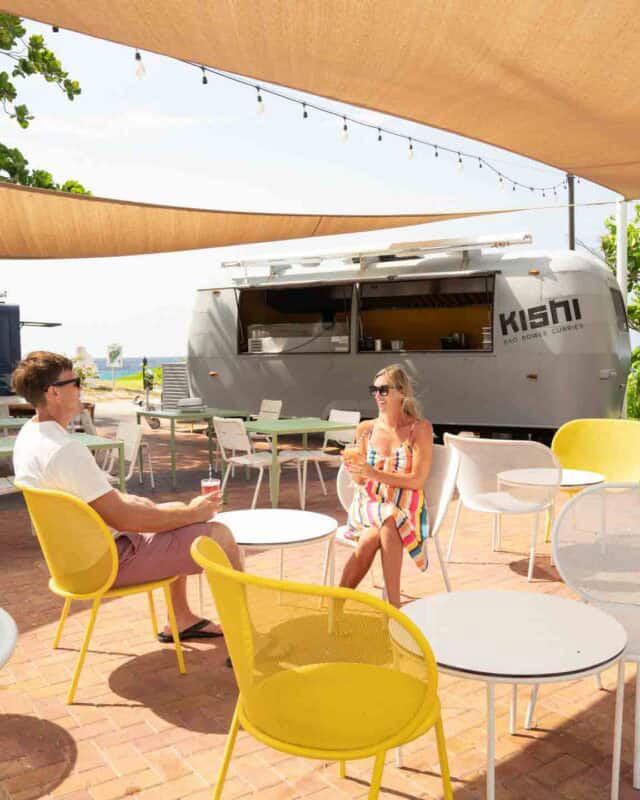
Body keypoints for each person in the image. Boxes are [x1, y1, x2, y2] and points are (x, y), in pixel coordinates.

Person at [11, 351, 242, 642]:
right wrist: (195, 513)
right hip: (106, 563)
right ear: (54, 392)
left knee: (172, 511)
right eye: (76, 382)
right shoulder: (65, 450)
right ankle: (245, 633)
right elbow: (123, 517)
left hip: (71, 563)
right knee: (220, 535)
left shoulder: (30, 436)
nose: (81, 388)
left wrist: (171, 511)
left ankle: (180, 618)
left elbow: (104, 502)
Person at [340, 364, 433, 607]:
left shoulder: (420, 429)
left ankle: (334, 603)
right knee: (389, 517)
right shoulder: (366, 429)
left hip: (407, 508)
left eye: (383, 390)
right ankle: (395, 608)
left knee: (375, 535)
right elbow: (362, 482)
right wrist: (356, 471)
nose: (377, 395)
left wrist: (375, 473)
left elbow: (417, 480)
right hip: (370, 505)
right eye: (374, 390)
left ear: (401, 393)